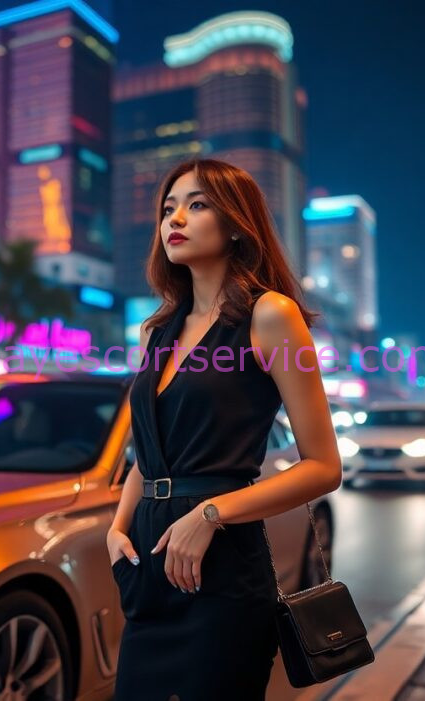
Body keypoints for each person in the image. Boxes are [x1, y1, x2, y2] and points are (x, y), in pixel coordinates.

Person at [107, 158, 342, 700]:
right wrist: (117, 529)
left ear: (237, 224)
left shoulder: (270, 315)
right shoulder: (158, 331)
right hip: (146, 567)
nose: (175, 219)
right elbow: (150, 453)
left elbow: (323, 467)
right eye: (168, 208)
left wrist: (211, 514)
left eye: (197, 205)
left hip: (221, 568)